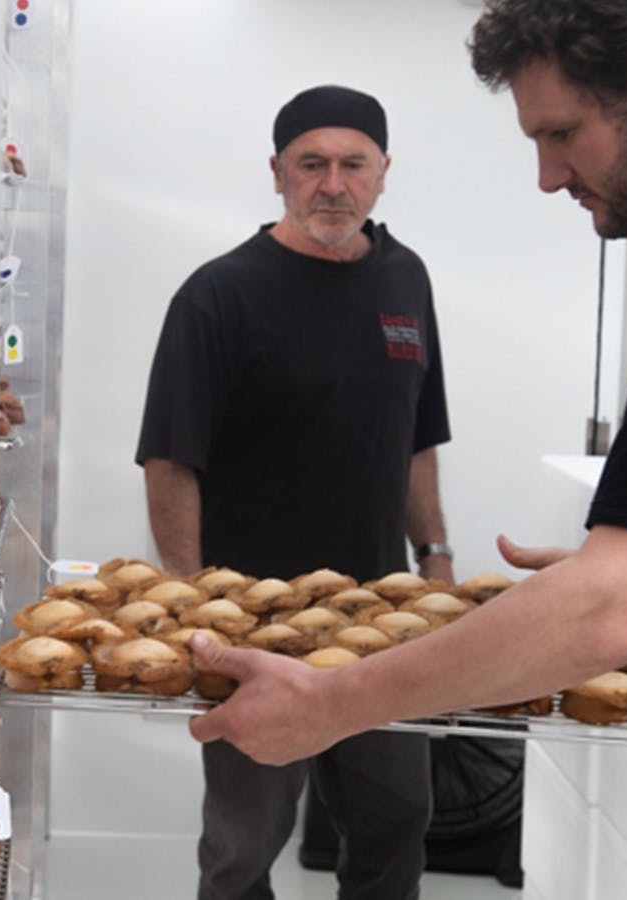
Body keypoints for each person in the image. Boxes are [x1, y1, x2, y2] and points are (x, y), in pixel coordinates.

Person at [186, 2, 627, 897]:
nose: (548, 177)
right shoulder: (220, 292)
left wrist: (332, 704)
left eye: (562, 133)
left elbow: (616, 611)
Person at [136, 84, 455, 899]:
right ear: (278, 173)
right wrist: (188, 596)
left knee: (396, 818)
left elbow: (419, 436)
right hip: (251, 619)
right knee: (245, 843)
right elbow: (170, 458)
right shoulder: (219, 294)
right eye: (311, 164)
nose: (333, 185)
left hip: (381, 615)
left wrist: (436, 557)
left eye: (354, 164)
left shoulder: (406, 278)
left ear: (384, 172)